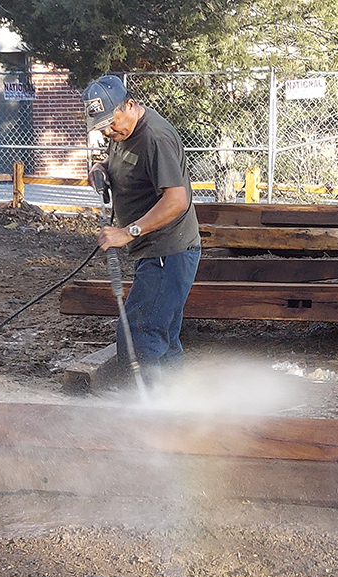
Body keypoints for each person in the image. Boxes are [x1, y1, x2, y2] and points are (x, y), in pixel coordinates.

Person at [82, 75, 201, 388]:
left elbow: (176, 200)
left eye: (110, 123)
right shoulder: (122, 133)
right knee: (162, 336)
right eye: (101, 126)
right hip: (155, 253)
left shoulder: (155, 138)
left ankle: (146, 414)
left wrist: (127, 232)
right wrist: (101, 169)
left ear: (130, 105)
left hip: (168, 251)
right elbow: (118, 159)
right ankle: (176, 405)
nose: (108, 131)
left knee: (138, 333)